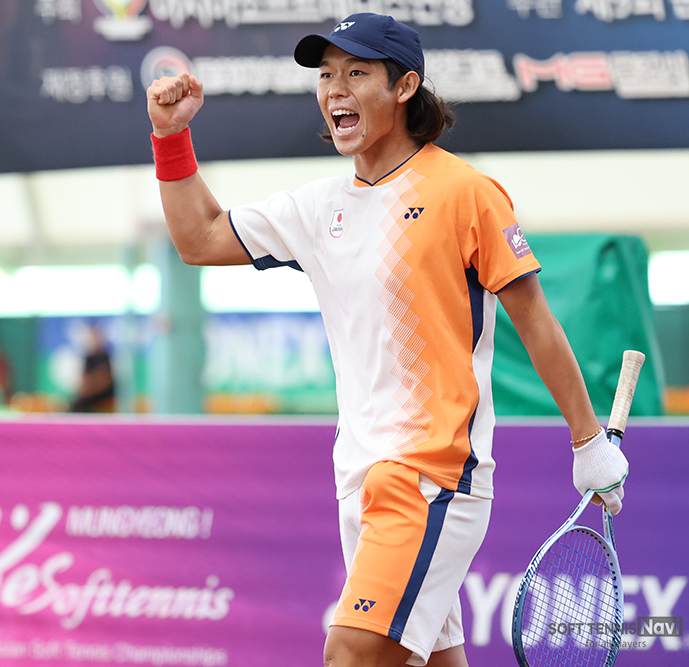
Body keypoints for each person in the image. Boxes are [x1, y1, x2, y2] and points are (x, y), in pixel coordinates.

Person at [145, 13, 629, 667]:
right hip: (358, 479)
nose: (335, 90)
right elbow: (198, 239)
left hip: (431, 476)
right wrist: (170, 136)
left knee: (348, 654)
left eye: (356, 72)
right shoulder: (318, 208)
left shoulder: (466, 193)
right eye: (326, 76)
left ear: (404, 87)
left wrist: (588, 440)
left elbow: (535, 320)